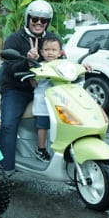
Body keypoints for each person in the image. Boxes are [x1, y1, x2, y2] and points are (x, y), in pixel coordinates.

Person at [0, 0, 53, 176]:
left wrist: (82, 67)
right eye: (35, 18)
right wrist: (26, 60)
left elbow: (62, 59)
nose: (38, 23)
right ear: (28, 17)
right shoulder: (15, 39)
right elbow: (10, 68)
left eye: (43, 20)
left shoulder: (51, 40)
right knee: (8, 124)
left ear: (48, 22)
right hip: (17, 90)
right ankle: (5, 169)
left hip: (45, 90)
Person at [31, 34, 64, 162]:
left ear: (60, 52)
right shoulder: (39, 66)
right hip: (43, 101)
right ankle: (41, 149)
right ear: (41, 52)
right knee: (43, 125)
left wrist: (85, 66)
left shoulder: (62, 64)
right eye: (47, 50)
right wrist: (33, 76)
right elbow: (34, 83)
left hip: (59, 101)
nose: (50, 53)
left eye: (54, 50)